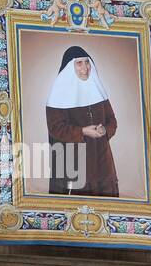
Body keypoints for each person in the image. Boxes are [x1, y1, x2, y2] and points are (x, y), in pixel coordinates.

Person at [45, 45, 119, 197]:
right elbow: (56, 128)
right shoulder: (58, 95)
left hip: (102, 161)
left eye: (87, 62)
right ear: (69, 68)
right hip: (75, 163)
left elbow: (112, 121)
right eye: (79, 63)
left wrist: (105, 130)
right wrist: (83, 131)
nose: (85, 68)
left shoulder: (97, 90)